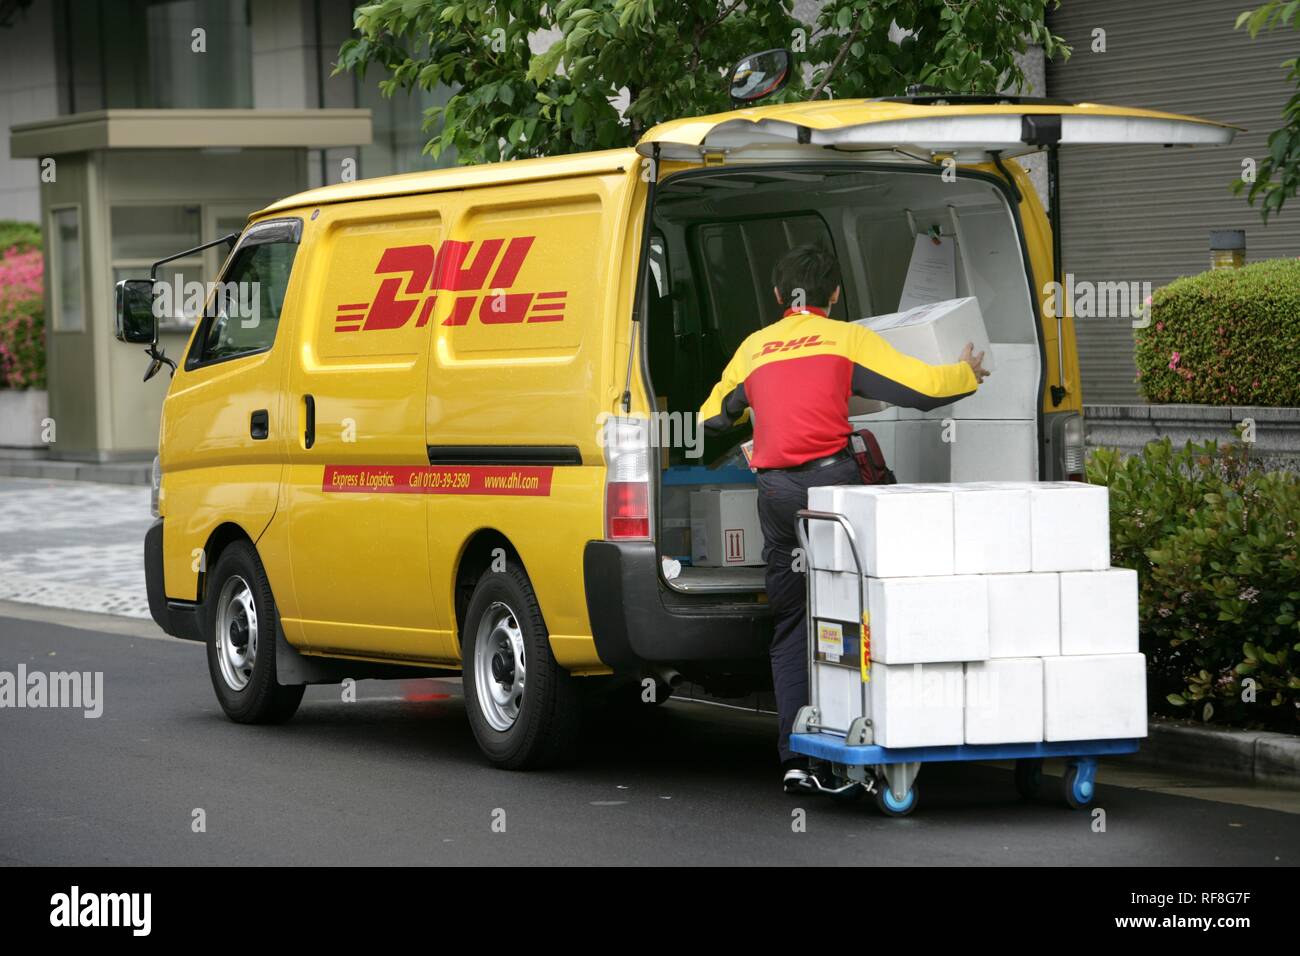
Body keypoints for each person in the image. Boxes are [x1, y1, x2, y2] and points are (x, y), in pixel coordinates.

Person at [699, 244, 990, 792]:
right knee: (858, 615)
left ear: (779, 296)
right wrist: (965, 373)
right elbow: (921, 390)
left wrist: (753, 403)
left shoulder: (755, 348)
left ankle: (795, 758)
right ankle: (862, 740)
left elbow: (711, 418)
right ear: (834, 295)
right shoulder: (847, 339)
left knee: (790, 624)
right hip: (835, 496)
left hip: (779, 496)